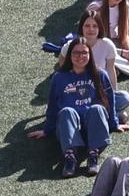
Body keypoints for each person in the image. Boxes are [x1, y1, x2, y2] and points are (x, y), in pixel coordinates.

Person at [28, 40, 116, 177]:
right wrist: (47, 130)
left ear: (90, 55)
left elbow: (110, 101)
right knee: (66, 111)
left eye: (84, 52)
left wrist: (114, 124)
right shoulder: (59, 78)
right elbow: (52, 106)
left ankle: (93, 155)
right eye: (76, 53)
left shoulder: (100, 74)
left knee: (97, 109)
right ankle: (70, 157)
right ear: (69, 55)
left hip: (92, 124)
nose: (80, 56)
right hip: (69, 127)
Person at [55, 12, 129, 127]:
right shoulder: (71, 45)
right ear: (81, 27)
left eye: (95, 26)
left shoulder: (107, 45)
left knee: (125, 98)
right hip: (78, 94)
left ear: (100, 28)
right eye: (87, 25)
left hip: (99, 94)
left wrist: (113, 94)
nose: (91, 29)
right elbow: (61, 61)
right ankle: (104, 115)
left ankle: (103, 114)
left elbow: (111, 70)